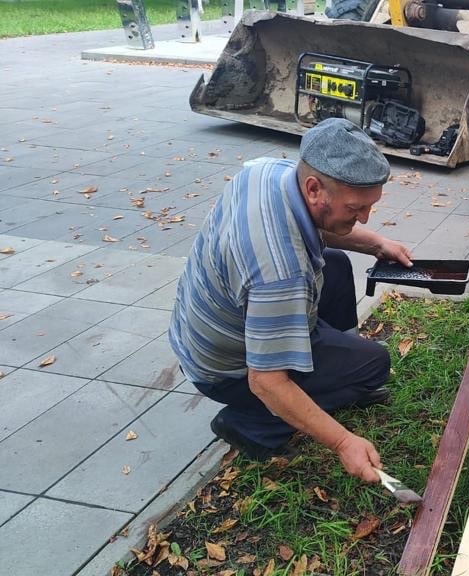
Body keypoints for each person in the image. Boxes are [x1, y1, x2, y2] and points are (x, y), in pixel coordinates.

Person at [169, 118, 414, 481]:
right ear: (314, 189)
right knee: (373, 364)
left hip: (199, 327)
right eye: (355, 207)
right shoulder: (281, 272)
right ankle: (251, 424)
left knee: (334, 263)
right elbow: (265, 382)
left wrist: (375, 243)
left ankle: (328, 365)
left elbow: (318, 225)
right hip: (226, 371)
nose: (364, 216)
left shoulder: (268, 172)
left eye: (369, 206)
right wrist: (343, 442)